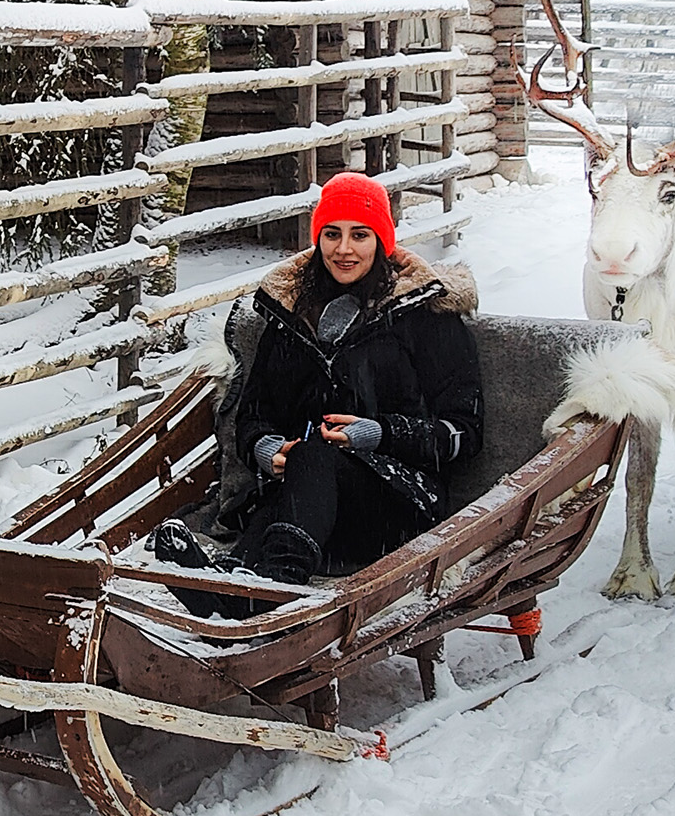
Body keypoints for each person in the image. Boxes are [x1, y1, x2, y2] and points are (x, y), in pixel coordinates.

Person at [154, 171, 482, 616]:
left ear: (383, 240)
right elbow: (253, 413)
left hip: (400, 505)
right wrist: (265, 448)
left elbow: (464, 433)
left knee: (313, 459)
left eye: (359, 235)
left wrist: (380, 433)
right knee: (302, 469)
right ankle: (228, 584)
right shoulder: (293, 316)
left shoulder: (425, 316)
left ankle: (274, 585)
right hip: (310, 502)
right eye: (332, 234)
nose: (343, 249)